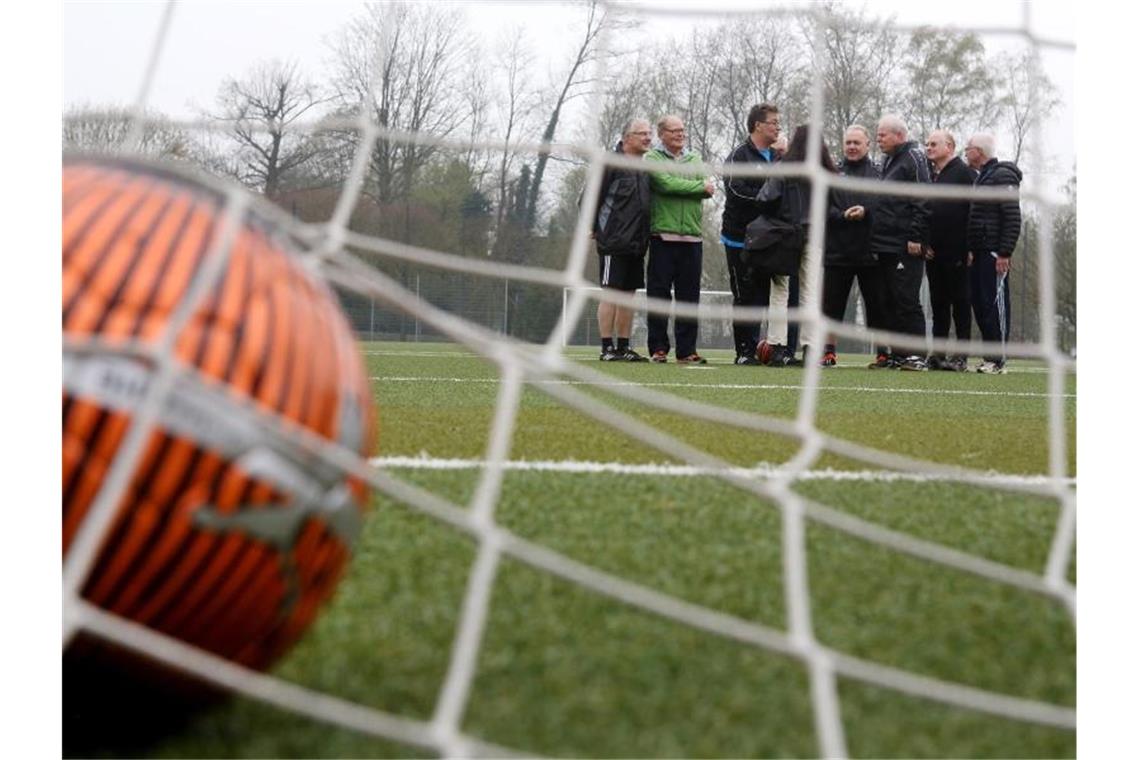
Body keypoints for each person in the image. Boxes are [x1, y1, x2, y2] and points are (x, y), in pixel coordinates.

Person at [755, 124, 838, 366]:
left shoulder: (784, 167)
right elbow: (834, 203)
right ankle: (811, 348)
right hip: (814, 235)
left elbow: (765, 198)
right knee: (810, 294)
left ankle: (778, 347)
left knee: (779, 293)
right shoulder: (825, 171)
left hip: (784, 236)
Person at [644, 114, 715, 364]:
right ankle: (658, 348)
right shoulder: (652, 158)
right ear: (661, 133)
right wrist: (696, 187)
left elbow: (708, 187)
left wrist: (691, 185)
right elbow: (665, 184)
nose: (680, 134)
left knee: (689, 298)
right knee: (659, 294)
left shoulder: (694, 158)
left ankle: (686, 351)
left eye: (682, 130)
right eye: (674, 130)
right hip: (663, 237)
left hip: (692, 239)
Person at [820, 125, 887, 367]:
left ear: (867, 145)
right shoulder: (832, 173)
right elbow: (821, 208)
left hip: (871, 251)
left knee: (878, 305)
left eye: (856, 143)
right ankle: (828, 351)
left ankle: (882, 352)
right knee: (831, 306)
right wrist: (842, 216)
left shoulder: (879, 174)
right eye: (848, 142)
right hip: (837, 251)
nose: (851, 147)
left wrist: (866, 212)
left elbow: (885, 207)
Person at [869, 114, 932, 371]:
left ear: (899, 135)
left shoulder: (914, 158)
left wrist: (916, 237)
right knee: (887, 301)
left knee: (906, 299)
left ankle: (916, 355)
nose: (878, 138)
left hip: (904, 245)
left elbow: (923, 199)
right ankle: (898, 354)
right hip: (884, 244)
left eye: (883, 134)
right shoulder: (888, 161)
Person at [720, 103, 780, 365]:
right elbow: (735, 190)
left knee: (765, 296)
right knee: (744, 295)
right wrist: (766, 199)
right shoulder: (738, 157)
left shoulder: (778, 158)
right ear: (758, 125)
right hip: (738, 240)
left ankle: (763, 348)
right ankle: (743, 351)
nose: (778, 127)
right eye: (774, 122)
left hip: (770, 241)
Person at [591, 118, 653, 361]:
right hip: (613, 242)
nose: (648, 138)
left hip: (637, 244)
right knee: (611, 293)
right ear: (627, 138)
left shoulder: (646, 168)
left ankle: (624, 347)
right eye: (642, 134)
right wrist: (593, 226)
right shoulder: (610, 164)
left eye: (649, 134)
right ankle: (607, 347)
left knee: (629, 295)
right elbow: (589, 198)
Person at [964, 133, 1022, 374]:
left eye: (968, 149)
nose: (965, 152)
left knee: (995, 304)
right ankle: (989, 357)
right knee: (980, 303)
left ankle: (998, 360)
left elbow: (1012, 216)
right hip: (979, 251)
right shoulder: (982, 178)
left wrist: (1004, 252)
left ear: (979, 151)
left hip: (994, 252)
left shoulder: (1002, 175)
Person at [924, 129, 977, 371]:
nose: (929, 147)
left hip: (958, 251)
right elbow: (927, 212)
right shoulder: (932, 175)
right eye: (927, 144)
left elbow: (972, 212)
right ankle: (938, 353)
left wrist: (970, 246)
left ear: (949, 147)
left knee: (961, 302)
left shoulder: (964, 174)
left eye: (934, 144)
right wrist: (926, 243)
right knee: (938, 304)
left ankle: (961, 355)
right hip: (934, 253)